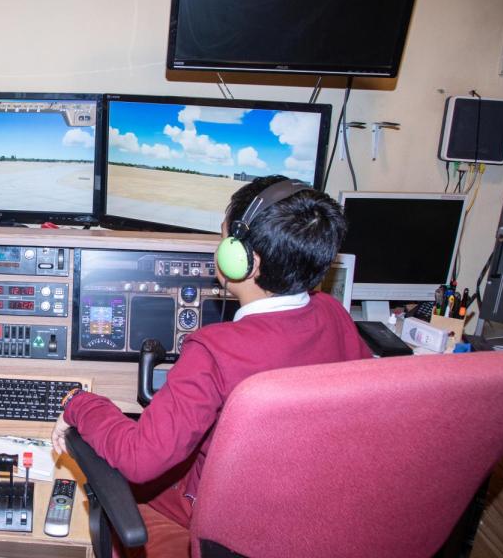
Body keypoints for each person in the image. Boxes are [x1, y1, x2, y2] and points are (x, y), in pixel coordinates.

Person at [51, 175, 372, 556]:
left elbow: (140, 459)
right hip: (311, 514)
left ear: (244, 261)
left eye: (223, 239)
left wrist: (80, 403)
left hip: (228, 526)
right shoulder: (333, 313)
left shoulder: (214, 350)